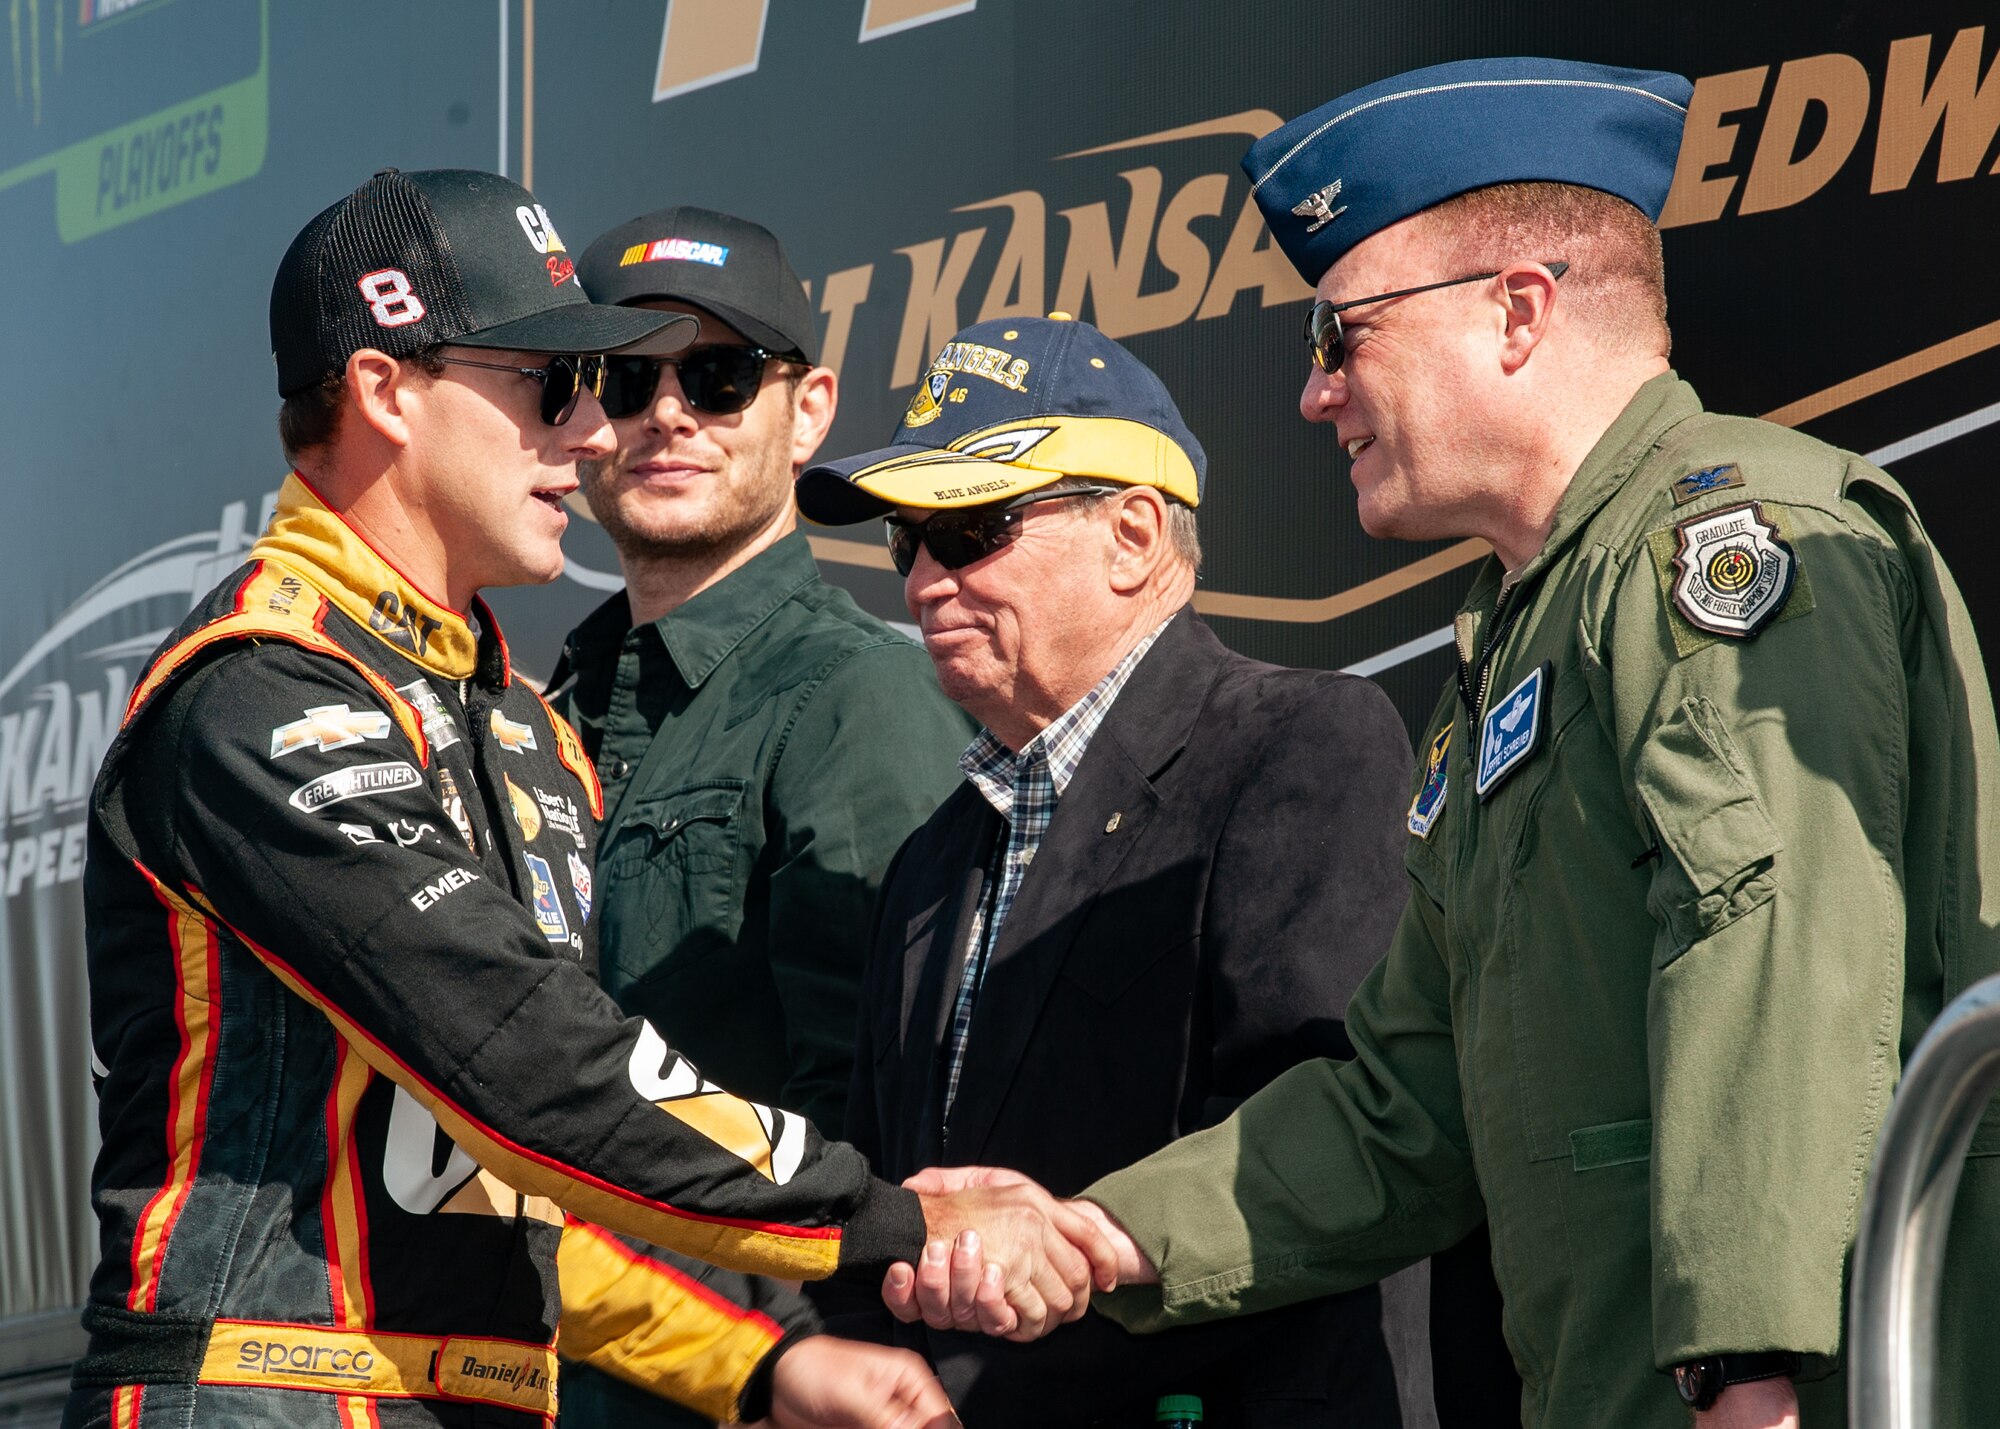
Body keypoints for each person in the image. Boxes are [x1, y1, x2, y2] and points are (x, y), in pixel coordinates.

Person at [902, 58, 2000, 1429]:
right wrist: (1104, 1236)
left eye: (1340, 336)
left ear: (1519, 312)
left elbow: (1780, 964)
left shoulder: (1723, 545)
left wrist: (1748, 1369)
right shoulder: (1522, 640)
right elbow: (1405, 1107)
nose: (1315, 396)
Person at [71, 167, 1111, 1429]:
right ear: (387, 390)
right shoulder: (254, 695)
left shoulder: (520, 726)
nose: (597, 432)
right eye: (553, 385)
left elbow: (516, 1191)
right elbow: (527, 1064)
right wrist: (893, 1216)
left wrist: (757, 1361)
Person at [792, 314, 1410, 1426]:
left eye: (969, 526)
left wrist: (1070, 1243)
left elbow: (1336, 1128)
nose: (925, 580)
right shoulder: (933, 854)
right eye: (906, 541)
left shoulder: (1298, 742)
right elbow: (886, 1190)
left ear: (1132, 534)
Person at [546, 206, 974, 1428]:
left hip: (779, 1379)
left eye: (721, 375)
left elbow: (884, 1122)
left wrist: (780, 1357)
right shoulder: (534, 717)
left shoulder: (859, 695)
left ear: (810, 409)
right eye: (624, 378)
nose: (668, 413)